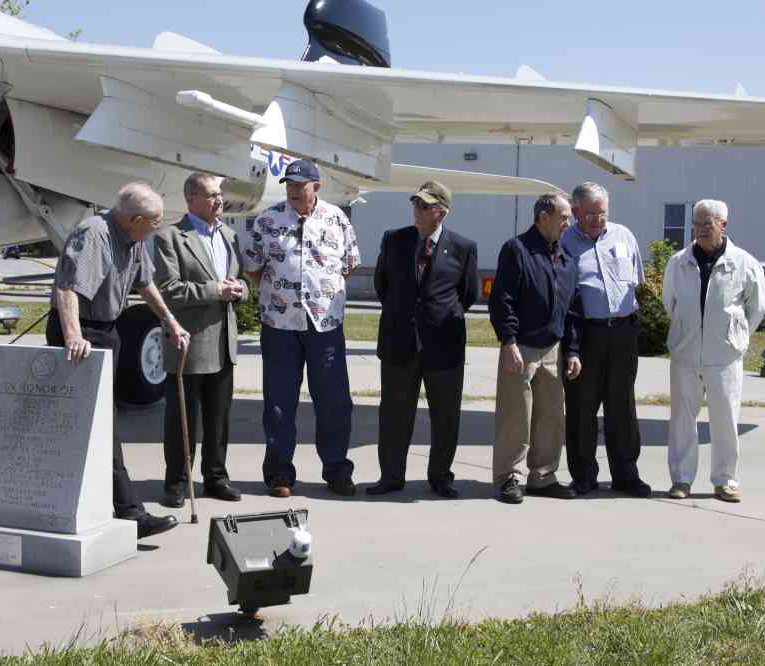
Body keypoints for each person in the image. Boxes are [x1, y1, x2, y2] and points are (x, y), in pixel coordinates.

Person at [46, 181, 189, 539]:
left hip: (108, 329)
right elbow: (67, 288)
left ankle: (91, 504)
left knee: (97, 424)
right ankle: (130, 512)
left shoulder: (134, 238)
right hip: (81, 332)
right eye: (153, 223)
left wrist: (169, 320)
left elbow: (145, 283)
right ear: (135, 219)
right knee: (99, 424)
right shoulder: (94, 235)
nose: (155, 230)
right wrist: (73, 336)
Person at [242, 159, 360, 497]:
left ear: (316, 187)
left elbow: (349, 265)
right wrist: (280, 293)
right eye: (290, 185)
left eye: (300, 185)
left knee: (334, 401)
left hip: (325, 326)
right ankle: (279, 474)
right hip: (280, 326)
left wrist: (321, 292)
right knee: (279, 403)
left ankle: (337, 471)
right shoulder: (268, 220)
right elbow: (253, 267)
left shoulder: (336, 218)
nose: (293, 191)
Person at [367, 181, 478, 498]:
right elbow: (382, 285)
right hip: (399, 342)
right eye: (415, 204)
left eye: (424, 206)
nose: (417, 210)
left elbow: (468, 294)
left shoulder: (463, 247)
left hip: (443, 345)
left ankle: (440, 477)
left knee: (445, 416)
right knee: (394, 414)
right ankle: (391, 476)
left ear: (441, 212)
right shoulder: (394, 239)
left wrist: (436, 316)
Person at [662, 199, 765, 503]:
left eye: (708, 223)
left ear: (723, 225)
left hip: (724, 355)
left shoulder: (744, 263)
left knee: (725, 419)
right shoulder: (678, 262)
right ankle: (681, 479)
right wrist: (688, 329)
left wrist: (735, 335)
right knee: (682, 419)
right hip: (686, 353)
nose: (701, 229)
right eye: (697, 223)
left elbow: (757, 307)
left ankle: (725, 480)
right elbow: (670, 303)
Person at [153, 173, 247, 506]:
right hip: (189, 343)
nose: (219, 200)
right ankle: (177, 483)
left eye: (219, 194)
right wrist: (215, 290)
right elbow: (168, 290)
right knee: (183, 419)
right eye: (211, 195)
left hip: (224, 343)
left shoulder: (230, 236)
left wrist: (240, 290)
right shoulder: (170, 237)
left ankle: (216, 477)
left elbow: (239, 280)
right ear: (191, 198)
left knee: (218, 419)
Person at [489, 193, 583, 504]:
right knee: (516, 416)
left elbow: (572, 310)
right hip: (521, 348)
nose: (569, 223)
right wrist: (508, 341)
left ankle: (543, 476)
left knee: (551, 418)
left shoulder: (566, 258)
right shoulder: (517, 250)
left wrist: (572, 351)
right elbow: (502, 300)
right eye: (564, 217)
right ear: (543, 217)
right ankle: (509, 477)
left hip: (553, 349)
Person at [561, 182, 651, 497]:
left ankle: (626, 474)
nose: (597, 219)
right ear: (575, 211)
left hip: (623, 331)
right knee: (582, 407)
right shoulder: (565, 242)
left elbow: (635, 282)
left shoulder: (624, 236)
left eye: (601, 213)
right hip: (586, 334)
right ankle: (584, 476)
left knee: (622, 406)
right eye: (589, 214)